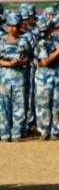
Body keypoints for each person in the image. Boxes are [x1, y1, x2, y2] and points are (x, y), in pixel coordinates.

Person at [1, 10, 31, 141]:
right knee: (3, 106)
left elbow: (29, 57)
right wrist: (7, 63)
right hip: (4, 77)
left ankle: (17, 133)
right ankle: (4, 133)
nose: (12, 28)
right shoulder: (1, 41)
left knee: (19, 105)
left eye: (15, 26)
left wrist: (20, 62)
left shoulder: (25, 41)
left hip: (20, 76)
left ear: (19, 27)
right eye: (9, 25)